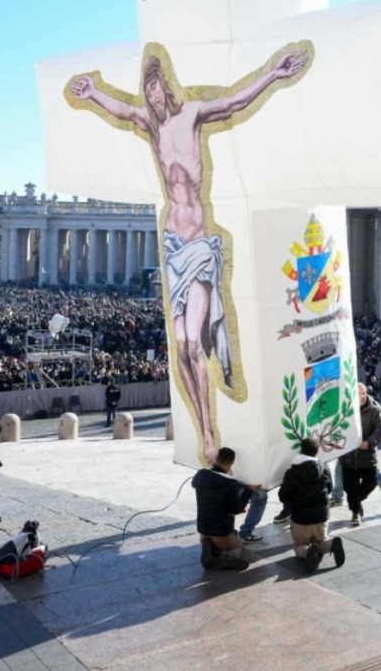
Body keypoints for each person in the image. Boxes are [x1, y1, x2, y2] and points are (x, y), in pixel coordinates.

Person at [69, 44, 310, 465]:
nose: (154, 99)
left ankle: (209, 431)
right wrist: (92, 94)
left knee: (193, 343)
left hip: (199, 244)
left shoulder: (193, 115)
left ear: (169, 89)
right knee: (180, 344)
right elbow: (122, 112)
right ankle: (203, 423)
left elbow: (234, 101)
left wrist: (273, 74)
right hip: (173, 244)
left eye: (158, 90)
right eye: (148, 93)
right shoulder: (149, 124)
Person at [278, 437, 346, 573]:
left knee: (299, 546)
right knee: (321, 542)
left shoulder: (292, 472)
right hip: (321, 516)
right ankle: (332, 544)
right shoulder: (324, 467)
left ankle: (307, 551)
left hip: (301, 518)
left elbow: (283, 497)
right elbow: (330, 488)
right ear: (317, 451)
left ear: (301, 451)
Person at [192, 446, 258, 571]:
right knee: (238, 547)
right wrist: (249, 491)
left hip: (203, 529)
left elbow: (194, 484)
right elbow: (236, 509)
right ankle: (226, 557)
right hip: (221, 532)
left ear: (216, 459)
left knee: (213, 537)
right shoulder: (229, 484)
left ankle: (209, 545)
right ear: (232, 463)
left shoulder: (201, 475)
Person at [338, 383, 381, 526]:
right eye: (358, 393)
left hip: (367, 456)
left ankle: (355, 502)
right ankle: (355, 513)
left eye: (363, 393)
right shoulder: (345, 409)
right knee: (349, 486)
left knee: (371, 482)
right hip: (349, 457)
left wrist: (369, 442)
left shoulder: (374, 410)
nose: (361, 396)